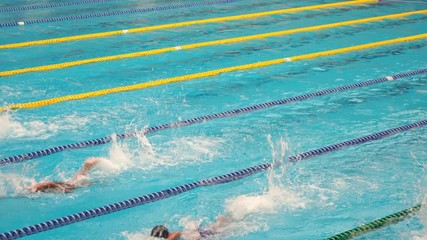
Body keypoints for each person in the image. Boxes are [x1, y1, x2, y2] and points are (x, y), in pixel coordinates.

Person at [27, 157, 101, 193]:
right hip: (67, 183)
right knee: (81, 175)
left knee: (82, 178)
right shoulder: (50, 187)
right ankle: (88, 165)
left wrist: (66, 191)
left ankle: (88, 165)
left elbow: (51, 184)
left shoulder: (52, 186)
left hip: (70, 185)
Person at [150, 215, 230, 239]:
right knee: (216, 226)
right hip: (199, 234)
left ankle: (229, 216)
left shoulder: (173, 235)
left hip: (202, 235)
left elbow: (177, 233)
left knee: (219, 227)